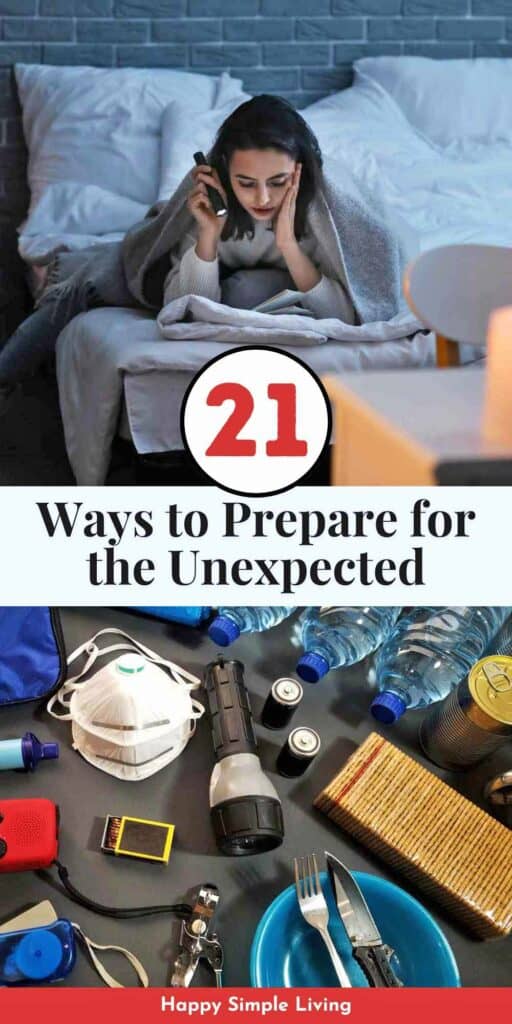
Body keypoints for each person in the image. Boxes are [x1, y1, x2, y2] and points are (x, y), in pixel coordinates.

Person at [163, 95, 355, 322]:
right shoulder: (208, 203)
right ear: (225, 170)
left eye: (278, 182)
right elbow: (184, 312)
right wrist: (209, 234)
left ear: (299, 171)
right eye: (246, 183)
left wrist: (288, 244)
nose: (262, 199)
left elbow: (344, 318)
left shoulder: (323, 213)